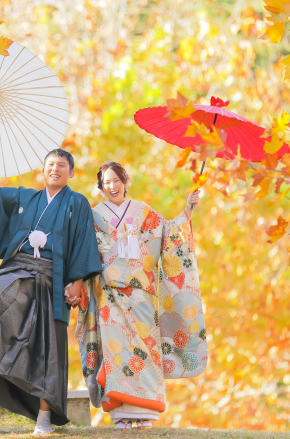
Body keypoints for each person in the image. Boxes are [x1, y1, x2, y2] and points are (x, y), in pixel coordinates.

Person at [0, 135, 102, 435]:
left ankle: (43, 418)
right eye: (50, 165)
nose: (55, 169)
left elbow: (85, 242)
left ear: (71, 173)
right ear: (42, 170)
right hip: (20, 268)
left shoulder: (77, 203)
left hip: (53, 277)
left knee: (49, 349)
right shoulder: (25, 198)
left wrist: (77, 281)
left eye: (61, 165)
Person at [75, 162, 207, 430]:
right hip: (109, 295)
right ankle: (122, 415)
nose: (111, 186)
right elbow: (83, 248)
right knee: (117, 352)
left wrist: (189, 208)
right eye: (106, 182)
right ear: (100, 186)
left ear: (126, 181)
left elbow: (170, 233)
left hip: (141, 296)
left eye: (116, 180)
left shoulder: (143, 211)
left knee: (145, 350)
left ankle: (144, 413)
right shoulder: (93, 214)